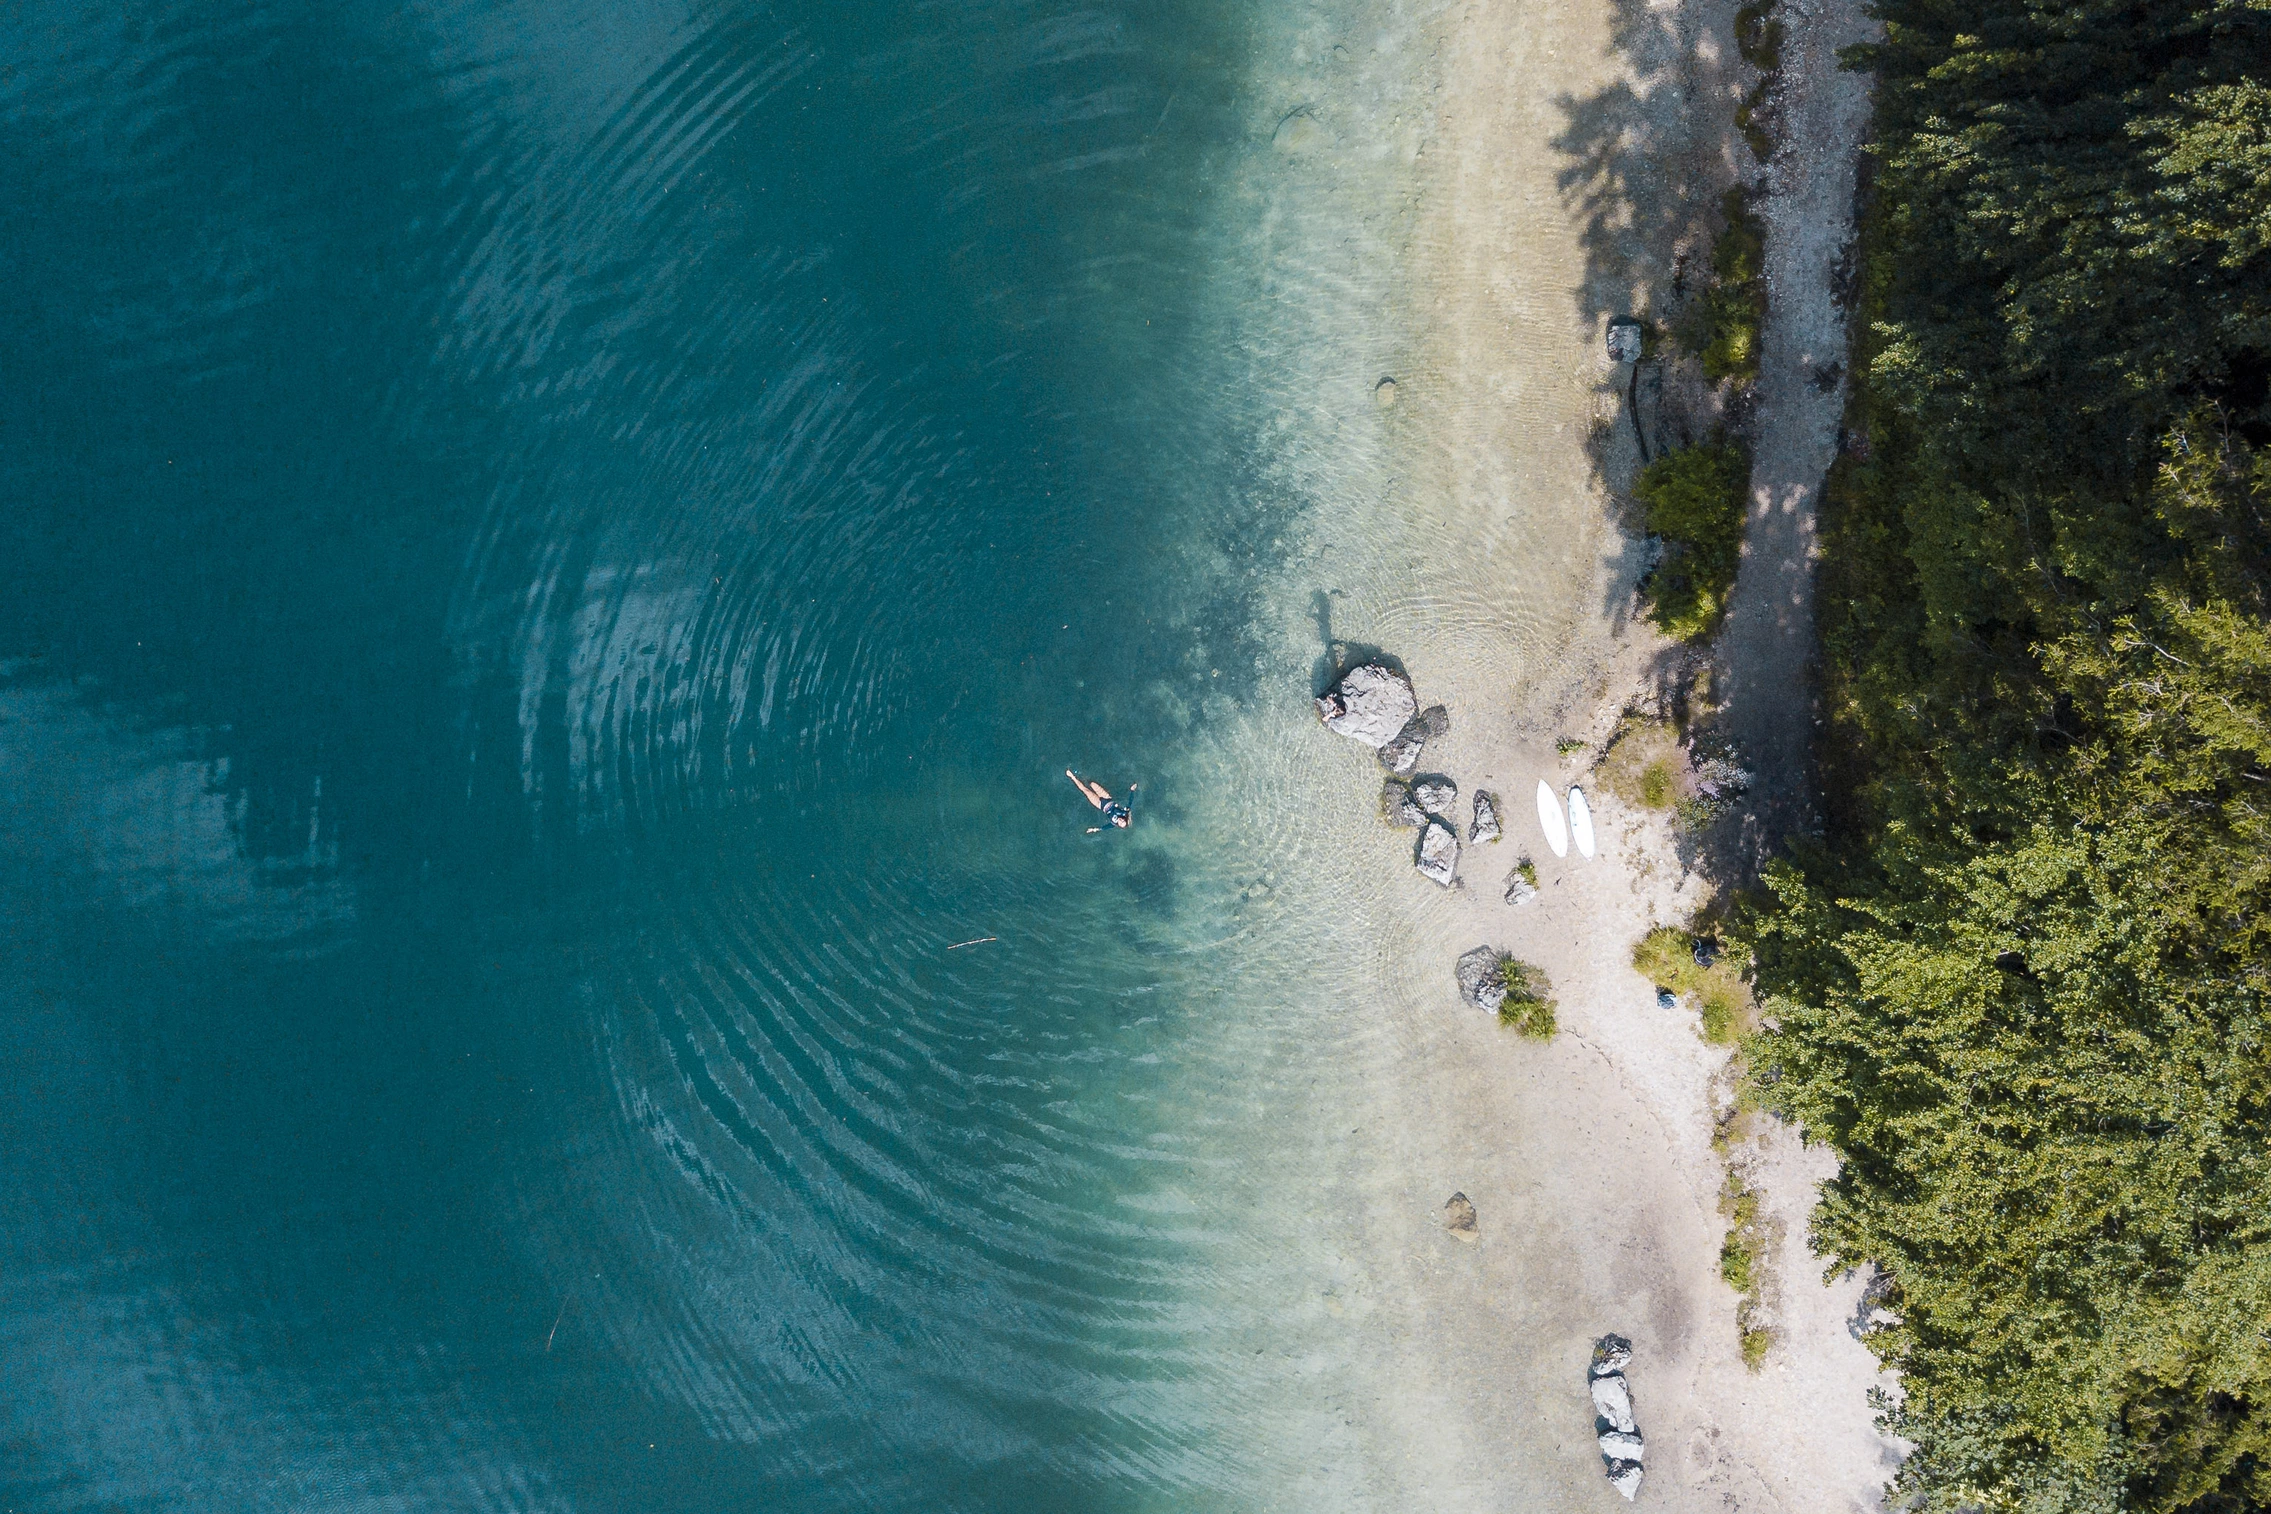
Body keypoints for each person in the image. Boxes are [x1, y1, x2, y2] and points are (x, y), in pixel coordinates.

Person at [1065, 769, 1134, 830]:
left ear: (1118, 825)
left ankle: (1072, 777)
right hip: (1107, 798)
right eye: (1123, 821)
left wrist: (1094, 829)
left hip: (1099, 804)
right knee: (1092, 784)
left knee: (1085, 791)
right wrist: (1132, 791)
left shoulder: (1113, 823)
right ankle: (1084, 777)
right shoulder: (1123, 813)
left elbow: (1105, 827)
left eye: (1121, 823)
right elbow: (1130, 802)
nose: (1121, 820)